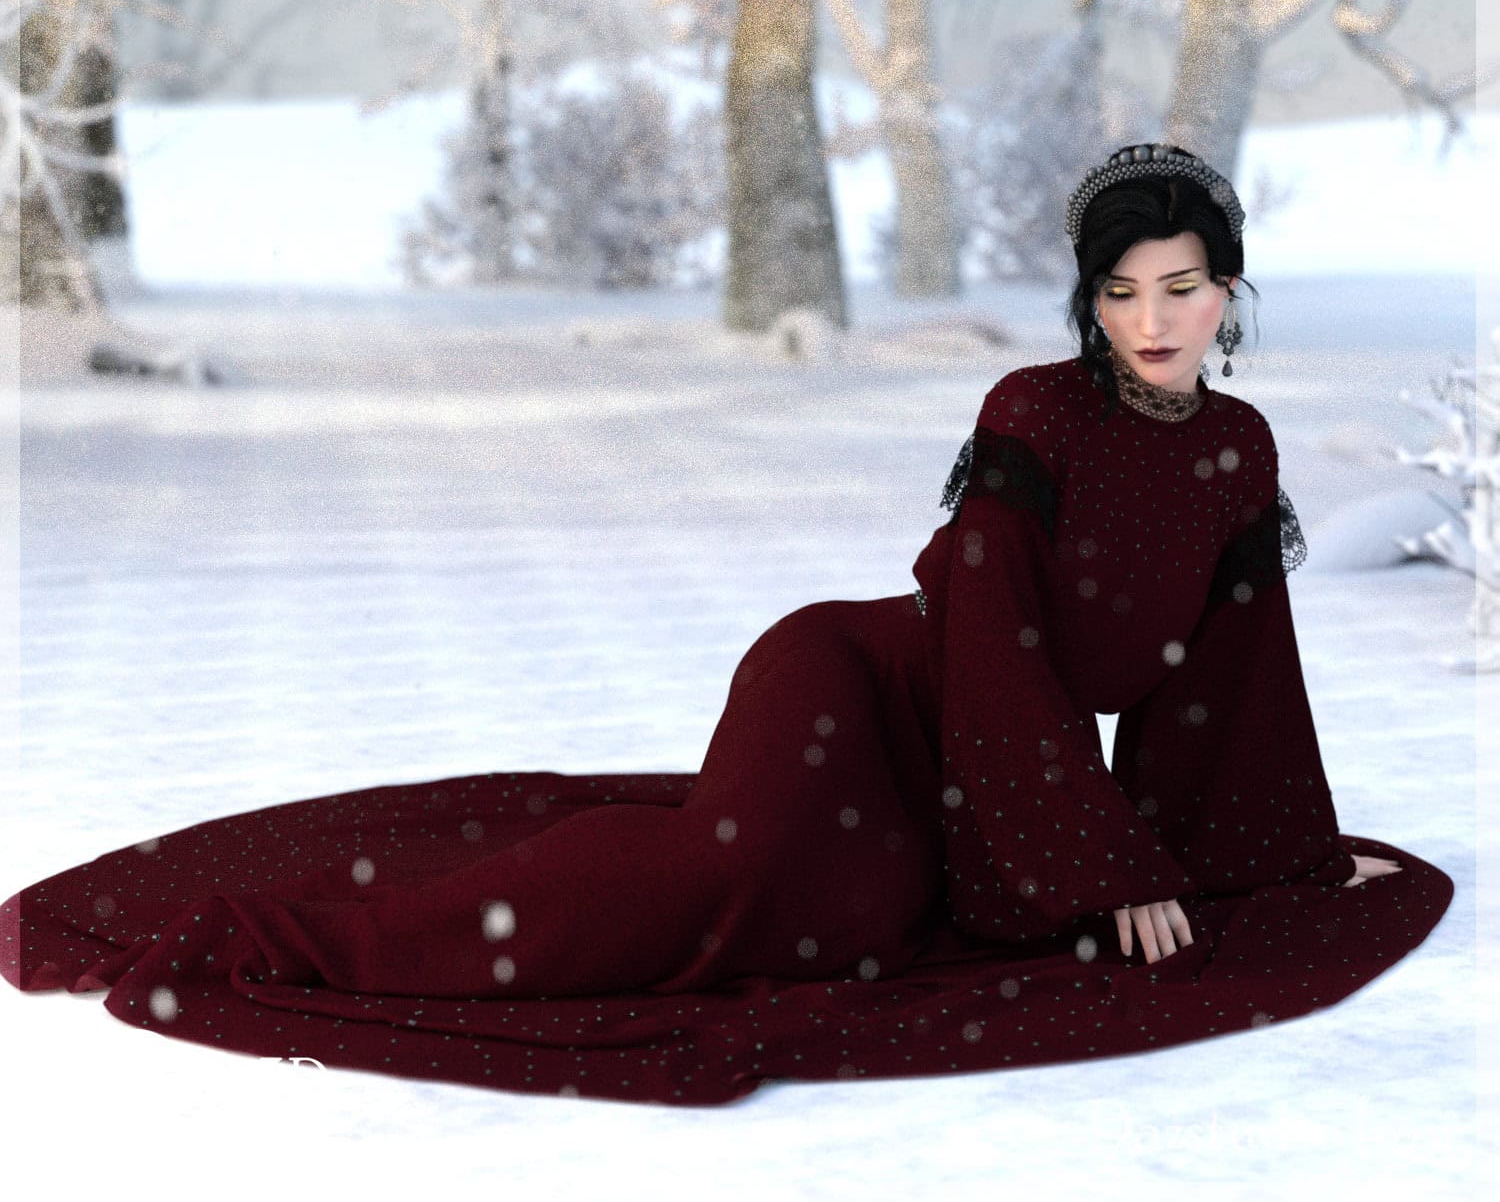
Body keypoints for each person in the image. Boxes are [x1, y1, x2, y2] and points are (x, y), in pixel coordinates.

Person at [1, 143, 1452, 1107]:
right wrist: (1102, 870)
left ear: (1226, 292)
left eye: (1182, 289)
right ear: (1090, 300)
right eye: (1122, 292)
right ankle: (308, 936)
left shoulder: (1237, 450)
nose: (1152, 319)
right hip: (861, 691)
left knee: (851, 933)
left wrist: (1234, 857)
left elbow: (1231, 684)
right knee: (721, 890)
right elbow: (1001, 658)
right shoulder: (1036, 414)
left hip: (987, 781)